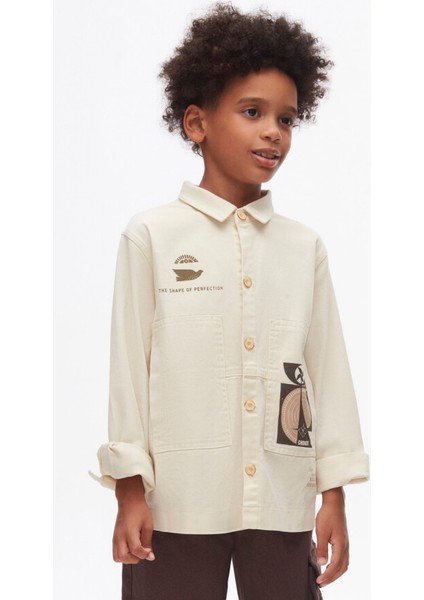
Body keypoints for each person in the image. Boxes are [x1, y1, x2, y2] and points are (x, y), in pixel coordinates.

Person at [95, 3, 369, 599]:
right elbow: (129, 370)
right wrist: (129, 488)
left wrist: (334, 493)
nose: (274, 131)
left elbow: (326, 373)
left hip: (279, 496)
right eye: (252, 112)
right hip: (177, 502)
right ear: (197, 123)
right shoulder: (152, 236)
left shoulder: (303, 248)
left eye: (286, 119)